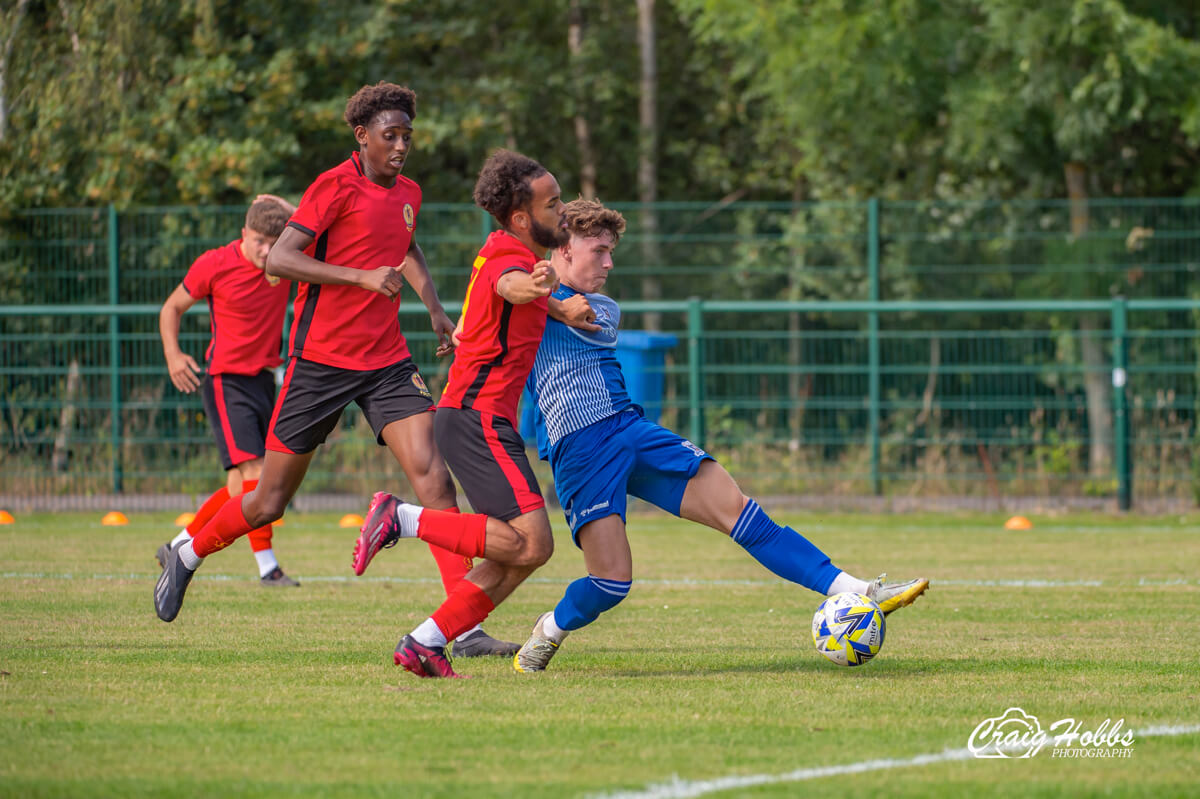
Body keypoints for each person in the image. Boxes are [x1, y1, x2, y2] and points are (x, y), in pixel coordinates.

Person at [154, 81, 518, 658]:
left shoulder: (410, 193)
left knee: (434, 482)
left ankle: (461, 627)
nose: (400, 146)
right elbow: (281, 257)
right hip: (319, 364)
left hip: (388, 361)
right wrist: (361, 276)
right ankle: (188, 552)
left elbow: (407, 246)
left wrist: (437, 309)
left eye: (407, 136)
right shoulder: (332, 186)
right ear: (362, 135)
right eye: (389, 135)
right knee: (268, 499)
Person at [511, 199, 931, 672]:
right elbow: (497, 292)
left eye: (612, 252)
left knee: (740, 511)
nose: (609, 263)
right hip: (580, 448)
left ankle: (859, 590)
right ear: (563, 249)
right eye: (599, 251)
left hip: (629, 428)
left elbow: (541, 300)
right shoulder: (525, 295)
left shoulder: (599, 308)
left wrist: (535, 292)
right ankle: (549, 630)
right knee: (611, 583)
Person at [352, 149, 596, 678]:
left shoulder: (500, 248)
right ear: (521, 217)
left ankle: (426, 641)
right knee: (534, 543)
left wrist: (559, 308)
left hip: (475, 418)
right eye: (553, 204)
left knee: (522, 552)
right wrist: (540, 285)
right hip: (477, 419)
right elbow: (512, 285)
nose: (563, 213)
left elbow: (511, 296)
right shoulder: (511, 260)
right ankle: (403, 518)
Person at [157, 194, 300, 587]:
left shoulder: (284, 261)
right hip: (225, 381)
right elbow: (170, 308)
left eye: (274, 242)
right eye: (259, 241)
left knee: (245, 487)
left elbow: (312, 221)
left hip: (263, 381)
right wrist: (173, 355)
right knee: (256, 477)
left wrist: (282, 206)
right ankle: (268, 568)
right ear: (244, 234)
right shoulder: (214, 264)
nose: (267, 250)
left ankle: (179, 545)